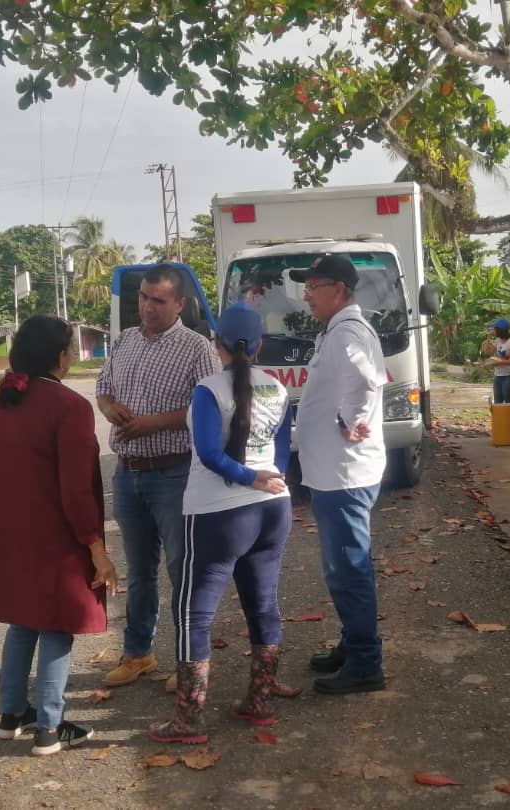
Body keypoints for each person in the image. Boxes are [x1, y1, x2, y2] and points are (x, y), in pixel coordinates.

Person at [149, 304, 293, 744]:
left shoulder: (208, 390)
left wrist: (247, 477)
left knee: (194, 612)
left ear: (217, 345)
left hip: (218, 512)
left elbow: (210, 456)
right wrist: (263, 479)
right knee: (263, 604)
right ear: (261, 345)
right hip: (273, 508)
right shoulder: (278, 388)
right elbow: (283, 454)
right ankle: (259, 703)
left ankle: (189, 720)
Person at [0, 315, 118, 755]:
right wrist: (96, 548)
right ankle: (50, 728)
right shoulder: (70, 408)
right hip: (54, 535)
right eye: (72, 349)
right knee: (58, 625)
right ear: (59, 357)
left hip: (7, 529)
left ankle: (12, 713)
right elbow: (75, 490)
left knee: (24, 620)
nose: (74, 356)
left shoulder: (0, 401)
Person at [95, 264, 220, 689]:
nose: (147, 307)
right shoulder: (126, 340)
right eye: (144, 298)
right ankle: (138, 654)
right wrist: (110, 407)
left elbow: (208, 412)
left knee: (182, 569)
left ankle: (189, 661)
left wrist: (154, 424)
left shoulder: (196, 349)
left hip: (174, 474)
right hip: (128, 475)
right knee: (140, 572)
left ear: (180, 304)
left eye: (158, 300)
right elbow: (103, 387)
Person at [290, 253, 388, 695]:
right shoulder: (341, 329)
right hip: (335, 473)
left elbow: (367, 381)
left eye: (314, 286)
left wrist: (351, 421)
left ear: (340, 290)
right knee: (344, 568)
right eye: (306, 287)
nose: (306, 295)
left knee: (348, 568)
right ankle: (353, 645)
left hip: (344, 475)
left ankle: (366, 663)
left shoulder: (347, 331)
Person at [482, 317, 510, 404]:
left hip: (508, 376)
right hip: (498, 376)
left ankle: (509, 417)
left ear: (500, 330)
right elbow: (488, 352)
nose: (493, 331)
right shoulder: (497, 340)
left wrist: (499, 362)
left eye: (494, 329)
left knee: (508, 403)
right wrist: (488, 338)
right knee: (497, 402)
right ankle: (500, 417)